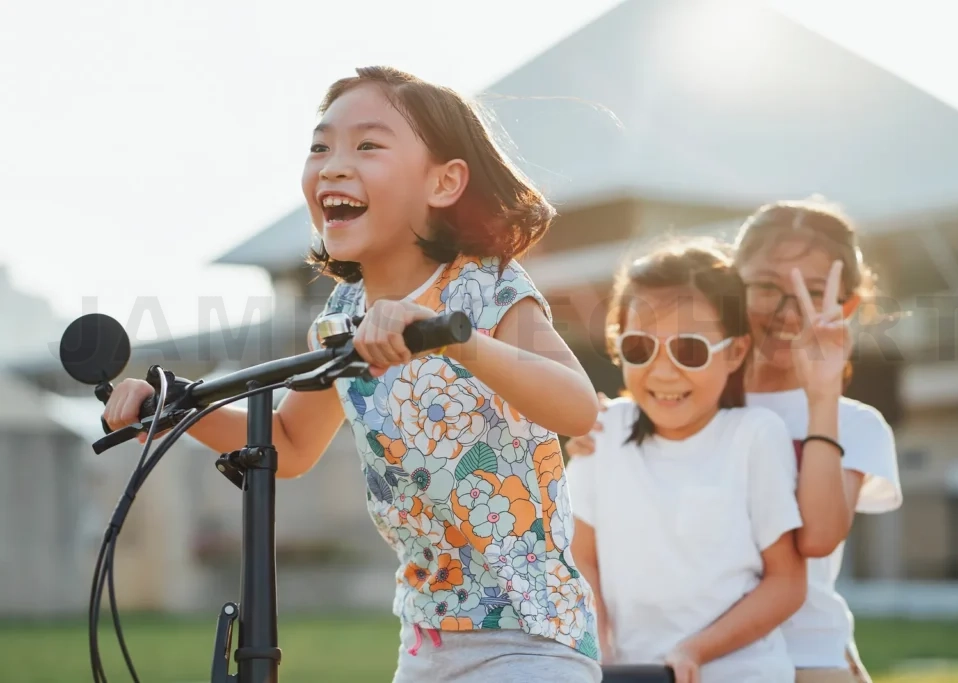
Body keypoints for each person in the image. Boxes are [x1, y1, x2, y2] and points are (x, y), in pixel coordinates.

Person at [104, 66, 603, 683]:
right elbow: (286, 445)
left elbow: (577, 408)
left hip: (531, 636)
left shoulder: (486, 286)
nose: (334, 165)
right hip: (425, 639)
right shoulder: (341, 319)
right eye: (321, 147)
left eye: (367, 145)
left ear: (445, 182)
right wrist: (175, 410)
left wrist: (454, 338)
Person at [566, 198, 903, 683]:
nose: (791, 309)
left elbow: (817, 538)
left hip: (807, 655)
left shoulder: (854, 423)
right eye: (767, 286)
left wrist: (822, 397)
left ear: (847, 305)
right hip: (670, 661)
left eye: (813, 292)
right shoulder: (688, 392)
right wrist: (596, 428)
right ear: (733, 284)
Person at [566, 238, 808, 683]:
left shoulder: (755, 437)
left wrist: (693, 651)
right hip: (628, 676)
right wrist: (596, 656)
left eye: (690, 350)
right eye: (640, 347)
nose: (662, 371)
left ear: (735, 352)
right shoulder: (600, 431)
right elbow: (581, 563)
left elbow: (787, 584)